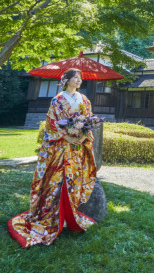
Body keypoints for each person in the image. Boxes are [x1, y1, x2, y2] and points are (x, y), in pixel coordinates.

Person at [8, 68, 98, 247]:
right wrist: (67, 136)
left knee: (73, 180)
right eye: (75, 78)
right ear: (67, 80)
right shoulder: (57, 100)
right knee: (56, 180)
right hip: (60, 146)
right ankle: (52, 215)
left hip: (76, 148)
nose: (79, 81)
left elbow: (87, 120)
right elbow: (51, 123)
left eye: (80, 78)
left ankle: (69, 215)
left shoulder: (84, 100)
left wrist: (82, 135)